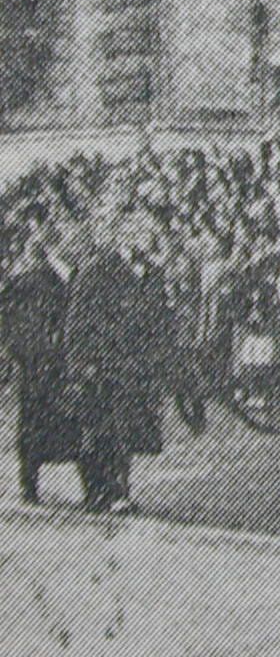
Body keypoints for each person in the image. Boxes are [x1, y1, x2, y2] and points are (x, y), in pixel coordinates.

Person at [63, 209, 182, 514]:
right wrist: (82, 364)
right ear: (127, 236)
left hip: (134, 367)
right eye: (146, 233)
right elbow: (78, 324)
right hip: (100, 367)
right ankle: (99, 491)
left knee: (124, 431)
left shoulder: (152, 274)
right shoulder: (96, 271)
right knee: (99, 431)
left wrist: (163, 357)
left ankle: (118, 490)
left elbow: (161, 321)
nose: (152, 239)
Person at [0, 218, 81, 503]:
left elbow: (6, 323)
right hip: (48, 364)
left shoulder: (23, 285)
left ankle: (30, 485)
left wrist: (15, 352)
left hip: (38, 364)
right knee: (50, 421)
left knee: (35, 423)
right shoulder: (55, 285)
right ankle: (33, 483)